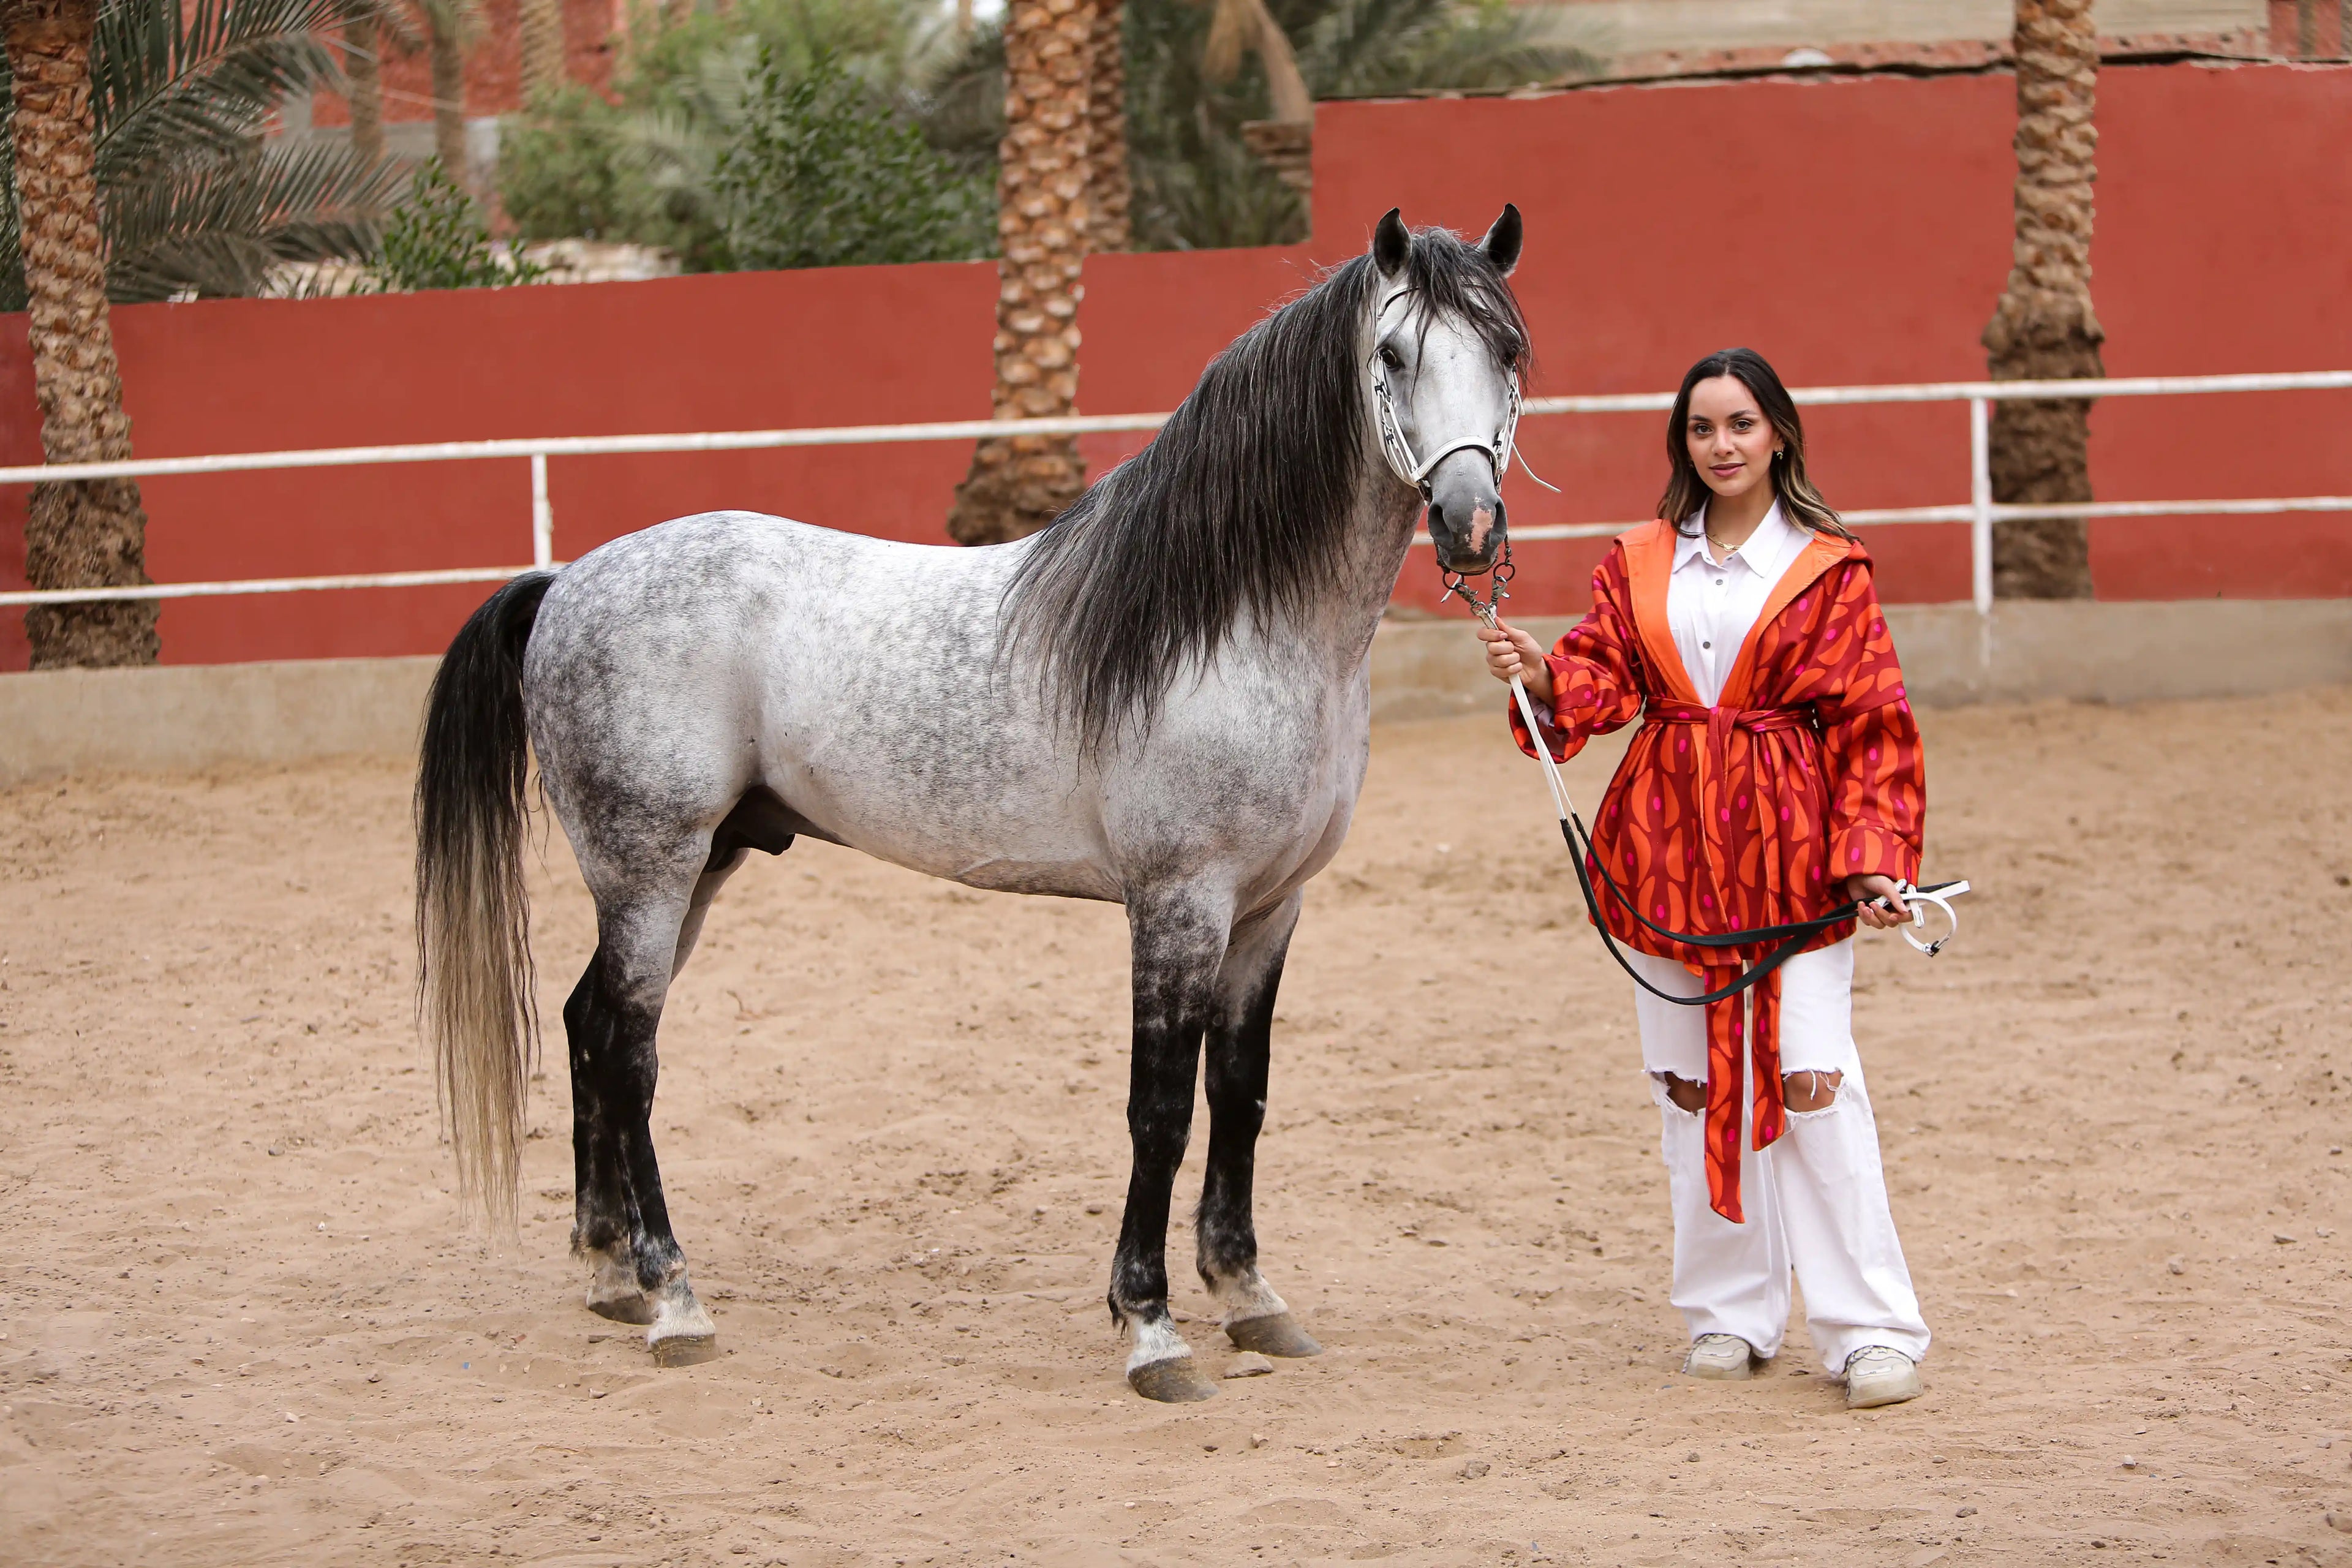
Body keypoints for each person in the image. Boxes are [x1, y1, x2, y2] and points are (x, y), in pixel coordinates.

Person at [1477, 347, 1932, 1409]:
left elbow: (1875, 729)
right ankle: (1728, 1312)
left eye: (1740, 425)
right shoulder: (1638, 560)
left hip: (1793, 861)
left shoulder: (1828, 567)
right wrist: (1547, 674)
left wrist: (1872, 864)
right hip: (1666, 852)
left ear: (1779, 433)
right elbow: (1604, 677)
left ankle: (1871, 1329)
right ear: (1681, 442)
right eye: (1700, 429)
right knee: (1687, 1089)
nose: (1721, 446)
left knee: (1816, 1082)